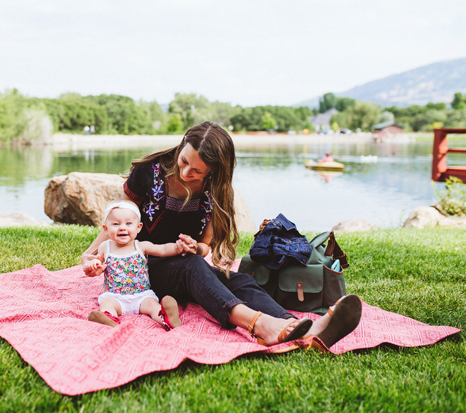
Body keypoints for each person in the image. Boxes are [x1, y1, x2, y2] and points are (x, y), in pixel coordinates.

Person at [82, 122, 362, 347]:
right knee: (193, 268)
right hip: (142, 268)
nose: (186, 171)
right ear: (181, 147)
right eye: (183, 162)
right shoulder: (148, 173)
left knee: (234, 279)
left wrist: (196, 248)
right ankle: (259, 324)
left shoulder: (215, 190)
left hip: (182, 262)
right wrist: (92, 252)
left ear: (215, 172)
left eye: (197, 171)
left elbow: (206, 246)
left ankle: (301, 328)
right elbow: (117, 220)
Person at [83, 200, 185, 330]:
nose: (122, 227)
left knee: (153, 306)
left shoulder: (141, 246)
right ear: (106, 229)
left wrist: (179, 247)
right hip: (115, 297)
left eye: (129, 223)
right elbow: (97, 263)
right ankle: (109, 318)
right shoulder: (105, 247)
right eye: (116, 224)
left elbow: (163, 249)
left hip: (141, 296)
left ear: (138, 227)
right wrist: (93, 265)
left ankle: (167, 318)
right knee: (107, 303)